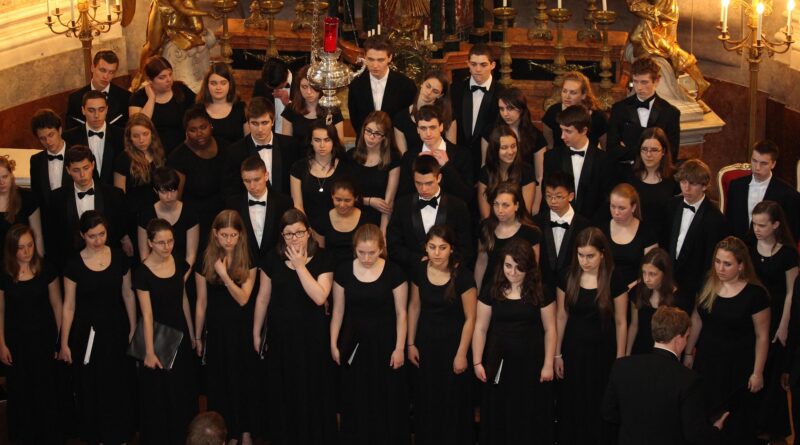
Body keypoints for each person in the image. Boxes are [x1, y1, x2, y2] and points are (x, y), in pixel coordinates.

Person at [252, 209, 338, 444]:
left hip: (313, 337)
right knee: (284, 390)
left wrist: (300, 266)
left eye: (299, 232)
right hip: (282, 338)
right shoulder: (271, 258)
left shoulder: (323, 257)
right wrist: (256, 331)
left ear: (308, 232)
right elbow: (263, 298)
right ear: (282, 235)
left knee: (313, 389)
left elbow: (320, 297)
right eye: (288, 234)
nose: (294, 238)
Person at [58, 210, 137, 444]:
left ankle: (120, 435)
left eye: (102, 234)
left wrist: (133, 327)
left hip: (116, 329)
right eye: (92, 236)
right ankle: (98, 436)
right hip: (87, 334)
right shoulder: (73, 264)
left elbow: (128, 294)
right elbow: (69, 306)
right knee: (92, 385)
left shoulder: (119, 257)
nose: (98, 240)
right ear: (83, 235)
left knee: (118, 382)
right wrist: (64, 342)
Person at [683, 236, 770, 445]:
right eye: (717, 261)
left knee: (736, 422)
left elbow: (762, 336)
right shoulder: (708, 283)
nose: (720, 268)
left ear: (741, 265)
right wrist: (688, 352)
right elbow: (697, 319)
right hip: (707, 362)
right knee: (705, 414)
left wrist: (757, 372)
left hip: (738, 367)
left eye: (727, 264)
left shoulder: (755, 295)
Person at [330, 224, 410, 444]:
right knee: (355, 396)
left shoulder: (395, 272)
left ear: (381, 249)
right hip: (353, 344)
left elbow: (402, 313)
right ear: (354, 248)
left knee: (386, 397)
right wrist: (333, 343)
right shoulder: (344, 271)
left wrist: (399, 348)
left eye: (372, 252)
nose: (366, 258)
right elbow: (338, 311)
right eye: (361, 252)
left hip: (386, 344)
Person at [603, 306, 729, 445]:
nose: (686, 342)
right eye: (687, 337)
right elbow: (694, 435)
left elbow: (609, 413)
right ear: (678, 339)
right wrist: (716, 429)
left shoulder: (622, 366)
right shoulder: (688, 379)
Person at [472, 238, 556, 444]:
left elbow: (550, 330)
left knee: (529, 412)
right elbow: (480, 328)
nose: (513, 272)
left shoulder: (541, 291)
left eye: (519, 267)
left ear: (529, 268)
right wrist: (476, 361)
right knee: (499, 412)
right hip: (498, 363)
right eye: (508, 266)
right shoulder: (491, 289)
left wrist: (548, 364)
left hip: (531, 364)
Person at [555, 227, 629, 445]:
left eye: (590, 256)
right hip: (573, 351)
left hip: (603, 353)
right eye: (580, 255)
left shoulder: (614, 278)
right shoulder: (567, 276)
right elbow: (561, 316)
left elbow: (621, 322)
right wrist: (557, 354)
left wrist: (620, 359)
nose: (585, 261)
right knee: (573, 402)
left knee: (599, 402)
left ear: (602, 254)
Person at [406, 225, 477, 445]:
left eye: (442, 247)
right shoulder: (419, 270)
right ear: (425, 247)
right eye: (432, 247)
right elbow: (414, 306)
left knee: (453, 402)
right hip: (425, 346)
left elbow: (471, 318)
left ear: (451, 248)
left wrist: (462, 354)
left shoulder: (463, 276)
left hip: (453, 348)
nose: (436, 253)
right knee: (427, 400)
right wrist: (410, 343)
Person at [194, 210, 258, 445]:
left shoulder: (248, 259)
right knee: (220, 383)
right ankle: (226, 434)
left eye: (233, 235)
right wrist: (197, 336)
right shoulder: (205, 259)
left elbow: (243, 299)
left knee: (243, 381)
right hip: (217, 332)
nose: (229, 240)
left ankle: (245, 431)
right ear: (215, 234)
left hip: (241, 330)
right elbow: (201, 303)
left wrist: (225, 276)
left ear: (240, 235)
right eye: (224, 235)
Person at [133, 218, 198, 444]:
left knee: (181, 391)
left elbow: (183, 299)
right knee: (159, 397)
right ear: (150, 243)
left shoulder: (178, 262)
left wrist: (192, 333)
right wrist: (149, 352)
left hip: (179, 333)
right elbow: (147, 315)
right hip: (157, 336)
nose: (167, 246)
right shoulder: (142, 273)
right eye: (161, 242)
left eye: (170, 241)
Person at [0, 224, 62, 444]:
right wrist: (1, 344)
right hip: (16, 343)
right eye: (21, 247)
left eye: (30, 245)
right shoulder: (4, 273)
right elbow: (0, 311)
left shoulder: (46, 269)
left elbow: (57, 305)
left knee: (46, 389)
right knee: (20, 392)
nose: (27, 251)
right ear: (11, 249)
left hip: (44, 340)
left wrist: (60, 341)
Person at [748, 201, 797, 441]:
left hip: (777, 317)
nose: (756, 229)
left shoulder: (787, 254)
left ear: (776, 225)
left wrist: (784, 325)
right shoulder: (748, 247)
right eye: (755, 224)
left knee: (771, 372)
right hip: (753, 315)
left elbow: (791, 292)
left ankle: (770, 428)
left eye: (762, 225)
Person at [47, 145, 130, 269]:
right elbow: (54, 236)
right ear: (68, 170)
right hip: (71, 264)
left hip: (107, 262)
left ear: (93, 165)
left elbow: (119, 230)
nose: (82, 174)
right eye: (76, 170)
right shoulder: (57, 198)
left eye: (86, 168)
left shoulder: (114, 195)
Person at [388, 155, 473, 272]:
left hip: (448, 273)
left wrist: (447, 265)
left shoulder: (458, 206)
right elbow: (393, 245)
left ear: (439, 178)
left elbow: (466, 247)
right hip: (411, 273)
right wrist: (417, 260)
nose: (423, 189)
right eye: (418, 183)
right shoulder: (402, 205)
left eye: (429, 183)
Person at [664, 158, 729, 313]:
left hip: (694, 290)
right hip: (668, 283)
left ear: (704, 186)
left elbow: (709, 262)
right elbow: (665, 243)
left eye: (692, 184)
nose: (686, 188)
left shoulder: (715, 218)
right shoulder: (671, 206)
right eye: (683, 182)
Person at [168, 106, 229, 249]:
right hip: (195, 220)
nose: (199, 133)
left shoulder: (226, 147)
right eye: (193, 130)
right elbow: (176, 199)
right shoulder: (178, 157)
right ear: (186, 132)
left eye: (203, 127)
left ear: (211, 126)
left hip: (224, 216)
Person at [607, 57, 681, 174]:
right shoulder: (619, 109)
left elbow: (672, 153)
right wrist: (652, 152)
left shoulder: (670, 113)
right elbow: (612, 149)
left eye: (644, 82)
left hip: (657, 174)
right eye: (635, 81)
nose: (639, 88)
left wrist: (628, 150)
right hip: (625, 173)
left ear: (656, 81)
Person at [542, 104, 613, 220]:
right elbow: (547, 194)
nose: (562, 136)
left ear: (584, 130)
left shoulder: (604, 160)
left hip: (592, 222)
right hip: (559, 221)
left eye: (568, 131)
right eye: (561, 130)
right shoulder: (552, 157)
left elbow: (606, 198)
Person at [397, 105, 474, 204]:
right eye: (423, 128)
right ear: (417, 130)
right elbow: (403, 197)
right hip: (418, 211)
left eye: (432, 127)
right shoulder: (409, 156)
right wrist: (418, 166)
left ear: (441, 127)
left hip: (451, 211)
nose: (428, 133)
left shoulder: (462, 155)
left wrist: (447, 166)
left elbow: (467, 196)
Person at [474, 182, 540, 296]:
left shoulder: (530, 232)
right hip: (489, 290)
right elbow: (481, 262)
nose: (499, 210)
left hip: (518, 291)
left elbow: (533, 268)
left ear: (516, 205)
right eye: (496, 204)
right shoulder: (486, 227)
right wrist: (477, 293)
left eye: (505, 205)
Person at [347, 34, 417, 141]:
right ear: (365, 56)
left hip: (396, 143)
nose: (375, 65)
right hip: (365, 144)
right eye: (371, 59)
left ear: (390, 58)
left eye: (380, 60)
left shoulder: (406, 85)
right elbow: (355, 120)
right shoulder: (356, 85)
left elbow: (408, 120)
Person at [225, 154, 293, 264]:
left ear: (266, 176)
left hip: (276, 264)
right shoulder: (233, 204)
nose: (252, 186)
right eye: (247, 181)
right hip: (244, 265)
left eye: (256, 180)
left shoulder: (284, 202)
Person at [224, 97, 299, 197]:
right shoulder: (235, 151)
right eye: (255, 123)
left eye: (264, 123)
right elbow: (231, 191)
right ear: (248, 123)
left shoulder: (291, 146)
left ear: (272, 121)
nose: (260, 129)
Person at [726, 140, 800, 240]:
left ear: (773, 164)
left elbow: (791, 234)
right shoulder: (736, 186)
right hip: (739, 247)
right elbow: (729, 223)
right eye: (754, 161)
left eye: (763, 163)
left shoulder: (788, 194)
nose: (757, 168)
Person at [115, 113, 165, 258]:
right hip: (134, 220)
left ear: (152, 134)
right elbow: (118, 199)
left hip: (158, 216)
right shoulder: (123, 159)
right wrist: (123, 235)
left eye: (145, 134)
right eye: (136, 136)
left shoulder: (158, 154)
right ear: (129, 138)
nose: (141, 140)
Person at [451, 43, 504, 178]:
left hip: (490, 162)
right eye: (473, 64)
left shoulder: (502, 93)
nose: (478, 69)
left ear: (493, 65)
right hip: (459, 163)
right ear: (468, 64)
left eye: (483, 65)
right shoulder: (455, 89)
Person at [289, 122, 353, 232]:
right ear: (311, 141)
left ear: (333, 141)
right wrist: (308, 229)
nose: (322, 145)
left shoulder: (345, 168)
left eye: (327, 140)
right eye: (317, 140)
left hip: (339, 227)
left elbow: (349, 203)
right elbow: (298, 205)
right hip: (308, 228)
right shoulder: (298, 168)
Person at [534, 170, 592, 291]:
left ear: (571, 196)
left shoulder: (585, 226)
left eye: (558, 196)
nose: (553, 201)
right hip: (542, 288)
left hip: (574, 288)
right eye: (548, 196)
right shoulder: (536, 223)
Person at [129, 55, 197, 154]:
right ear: (149, 80)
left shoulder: (181, 90)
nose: (169, 80)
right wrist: (151, 99)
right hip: (152, 151)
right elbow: (138, 126)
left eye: (170, 74)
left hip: (182, 148)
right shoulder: (138, 97)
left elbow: (199, 110)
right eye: (162, 77)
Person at [495, 88, 547, 213]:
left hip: (526, 194)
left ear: (521, 108)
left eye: (510, 108)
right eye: (501, 109)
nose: (505, 114)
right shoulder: (491, 132)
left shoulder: (536, 136)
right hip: (497, 192)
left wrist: (536, 204)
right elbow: (486, 165)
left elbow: (540, 175)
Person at [349, 111, 401, 231]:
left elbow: (388, 203)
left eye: (377, 133)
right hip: (352, 216)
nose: (371, 137)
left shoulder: (393, 159)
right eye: (368, 131)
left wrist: (383, 232)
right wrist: (369, 201)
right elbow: (345, 196)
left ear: (385, 137)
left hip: (380, 219)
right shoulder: (351, 156)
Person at [137, 167, 199, 267]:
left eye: (173, 190)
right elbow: (144, 255)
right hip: (154, 269)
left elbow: (191, 256)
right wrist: (153, 274)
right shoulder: (146, 214)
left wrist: (183, 275)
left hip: (183, 269)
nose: (169, 196)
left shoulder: (189, 212)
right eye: (164, 191)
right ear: (156, 191)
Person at [601, 183, 658, 289]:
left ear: (633, 207)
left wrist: (631, 287)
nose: (616, 212)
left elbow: (652, 269)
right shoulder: (602, 230)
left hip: (637, 288)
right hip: (606, 287)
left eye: (622, 208)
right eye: (612, 206)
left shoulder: (647, 232)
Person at [626, 127, 680, 240]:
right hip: (634, 236)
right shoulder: (629, 175)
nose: (648, 154)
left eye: (654, 150)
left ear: (663, 151)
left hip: (664, 238)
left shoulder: (675, 178)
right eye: (644, 149)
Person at [63, 90, 125, 185]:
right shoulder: (69, 137)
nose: (96, 115)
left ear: (107, 109)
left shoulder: (122, 135)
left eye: (101, 110)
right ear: (83, 110)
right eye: (91, 110)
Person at [626, 247, 679, 355]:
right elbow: (634, 325)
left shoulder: (677, 298)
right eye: (644, 273)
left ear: (664, 274)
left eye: (652, 274)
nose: (646, 279)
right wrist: (627, 353)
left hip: (663, 354)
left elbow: (678, 336)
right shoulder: (638, 291)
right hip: (640, 350)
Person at [477, 125, 536, 219]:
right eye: (504, 148)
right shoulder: (486, 172)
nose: (510, 152)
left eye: (513, 146)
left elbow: (525, 212)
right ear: (494, 149)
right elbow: (485, 215)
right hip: (492, 224)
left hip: (519, 224)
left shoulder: (526, 171)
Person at [542, 71, 608, 151]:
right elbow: (549, 146)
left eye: (573, 93)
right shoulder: (553, 112)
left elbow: (605, 148)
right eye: (564, 91)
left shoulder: (598, 117)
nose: (567, 96)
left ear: (583, 95)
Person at [393, 70, 456, 154]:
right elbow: (403, 156)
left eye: (435, 91)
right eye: (428, 86)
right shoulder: (400, 118)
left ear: (440, 95)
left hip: (441, 161)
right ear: (422, 83)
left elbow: (452, 152)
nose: (429, 92)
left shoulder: (448, 116)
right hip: (412, 162)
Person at [280, 64, 345, 144]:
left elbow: (340, 144)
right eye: (304, 87)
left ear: (321, 86)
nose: (309, 92)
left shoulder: (332, 109)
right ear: (298, 88)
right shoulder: (290, 109)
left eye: (313, 87)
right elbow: (285, 144)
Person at [66, 50, 130, 130]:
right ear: (92, 68)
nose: (106, 76)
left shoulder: (125, 97)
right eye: (102, 70)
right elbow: (70, 132)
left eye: (111, 72)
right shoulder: (75, 99)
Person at [0, 156, 45, 261]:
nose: (1, 182)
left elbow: (37, 235)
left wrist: (39, 262)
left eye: (5, 177)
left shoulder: (27, 198)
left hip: (23, 260)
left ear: (11, 175)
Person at [29, 109, 72, 210]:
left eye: (50, 135)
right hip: (48, 217)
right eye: (42, 138)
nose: (48, 142)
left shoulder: (78, 155)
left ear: (60, 130)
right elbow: (36, 196)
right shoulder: (36, 161)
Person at [316, 178, 367, 263]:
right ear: (332, 196)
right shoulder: (323, 218)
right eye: (338, 199)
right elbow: (320, 251)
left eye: (347, 200)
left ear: (356, 198)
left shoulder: (366, 219)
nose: (342, 205)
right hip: (330, 266)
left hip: (359, 265)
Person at [197, 62, 247, 143]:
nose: (218, 87)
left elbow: (248, 143)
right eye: (213, 83)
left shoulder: (240, 108)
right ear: (207, 85)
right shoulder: (198, 110)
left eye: (223, 83)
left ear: (230, 84)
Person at [252, 57, 292, 134]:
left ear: (286, 77)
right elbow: (255, 112)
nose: (274, 89)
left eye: (278, 87)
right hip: (269, 134)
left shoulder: (300, 83)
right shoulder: (260, 84)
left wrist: (288, 103)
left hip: (292, 134)